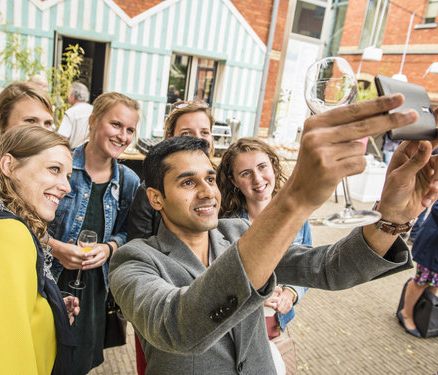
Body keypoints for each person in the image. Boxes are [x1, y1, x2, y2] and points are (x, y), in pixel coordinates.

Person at [109, 93, 438, 374]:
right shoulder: (133, 260)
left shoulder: (239, 231)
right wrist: (293, 198)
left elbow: (329, 268)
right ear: (155, 198)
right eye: (187, 182)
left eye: (210, 179)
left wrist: (392, 217)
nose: (207, 192)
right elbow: (176, 325)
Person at [0, 125, 78, 374]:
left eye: (68, 176)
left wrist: (48, 309)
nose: (66, 187)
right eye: (54, 169)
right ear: (9, 166)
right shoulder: (3, 236)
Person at [48, 92, 141, 375]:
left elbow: (129, 233)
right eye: (116, 125)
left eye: (130, 130)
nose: (123, 136)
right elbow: (26, 222)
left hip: (93, 292)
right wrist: (55, 247)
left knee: (79, 363)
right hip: (49, 281)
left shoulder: (128, 180)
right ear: (93, 121)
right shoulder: (58, 167)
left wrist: (110, 247)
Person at [217, 137, 309, 341]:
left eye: (262, 167)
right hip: (237, 324)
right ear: (233, 180)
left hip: (275, 320)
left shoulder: (296, 216)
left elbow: (306, 265)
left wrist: (291, 293)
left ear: (273, 167)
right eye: (246, 173)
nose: (257, 179)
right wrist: (251, 297)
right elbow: (217, 280)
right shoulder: (225, 226)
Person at [127, 100, 214, 242]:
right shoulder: (150, 189)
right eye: (187, 133)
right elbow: (136, 245)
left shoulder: (223, 185)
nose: (198, 139)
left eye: (205, 132)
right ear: (170, 137)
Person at [397, 202, 438, 337]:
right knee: (422, 280)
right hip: (433, 243)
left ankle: (422, 313)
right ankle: (406, 313)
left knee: (434, 282)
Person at [57, 82, 93, 149]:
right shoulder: (93, 110)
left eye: (69, 94)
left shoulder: (71, 113)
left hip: (74, 153)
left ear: (73, 97)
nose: (68, 96)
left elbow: (63, 137)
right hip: (91, 152)